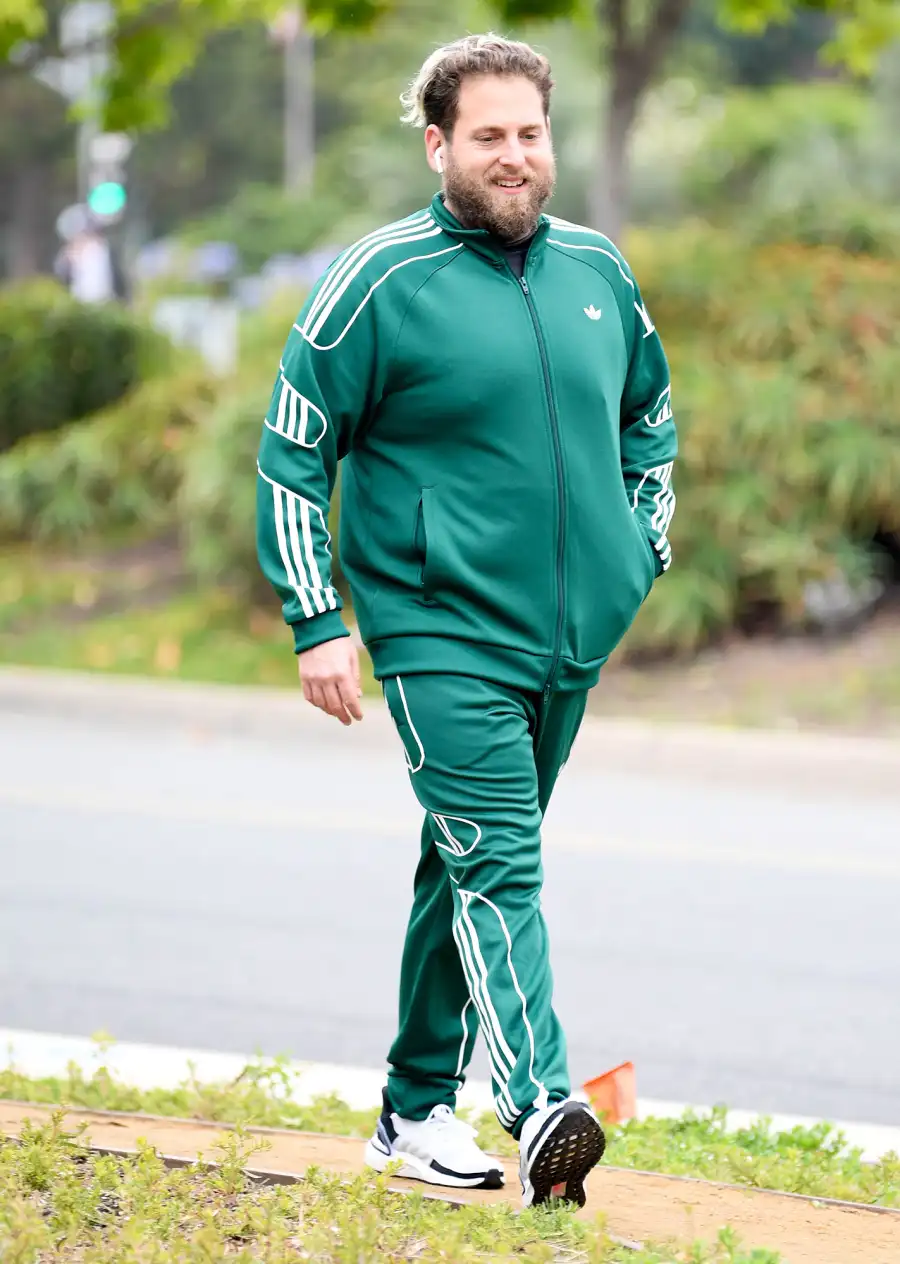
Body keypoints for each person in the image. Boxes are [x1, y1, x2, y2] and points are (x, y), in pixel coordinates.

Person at [256, 32, 677, 1209]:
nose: (514, 156)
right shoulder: (377, 282)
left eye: (529, 133)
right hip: (439, 631)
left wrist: (639, 544)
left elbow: (652, 418)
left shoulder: (598, 271)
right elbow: (294, 452)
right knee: (501, 859)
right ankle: (543, 1103)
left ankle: (409, 1110)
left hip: (570, 638)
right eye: (487, 136)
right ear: (438, 143)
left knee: (466, 863)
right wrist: (316, 617)